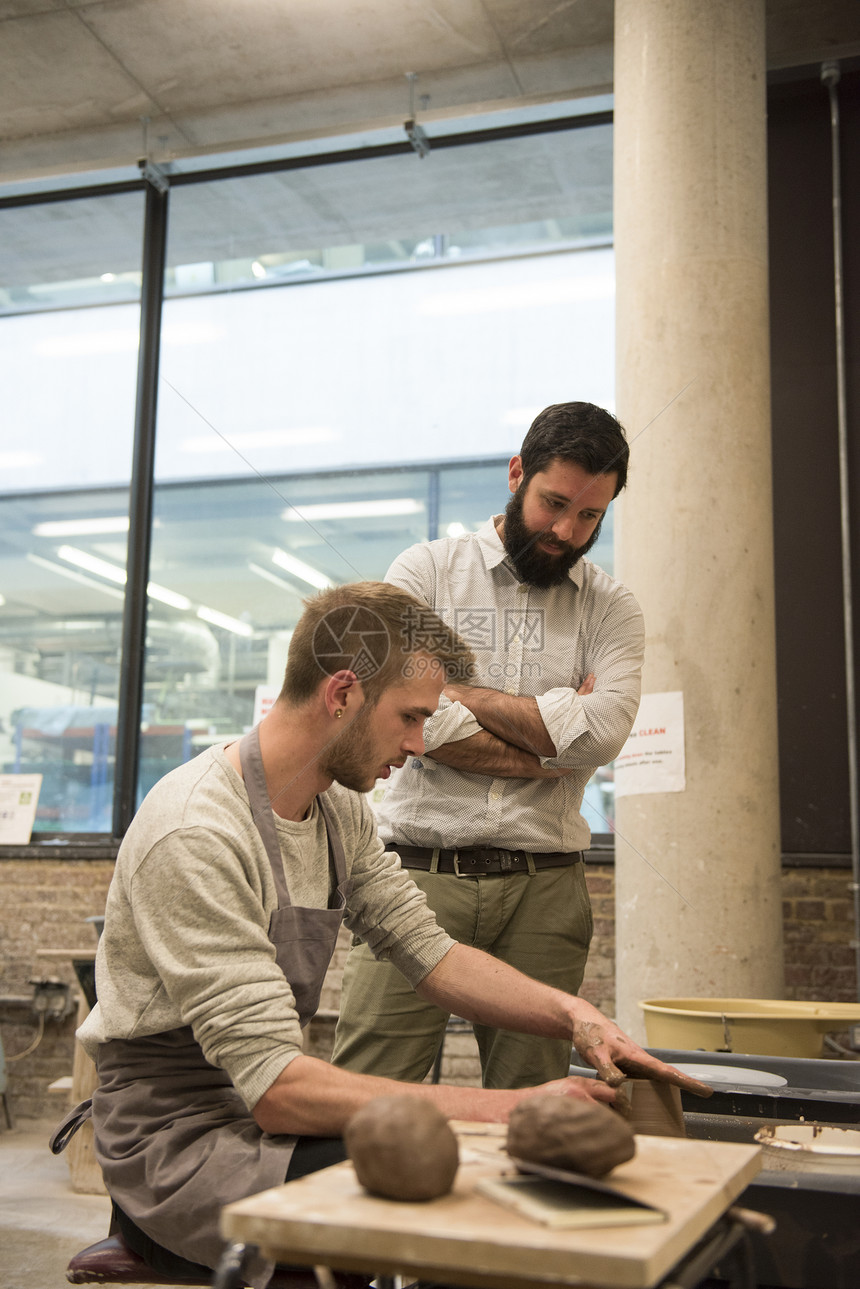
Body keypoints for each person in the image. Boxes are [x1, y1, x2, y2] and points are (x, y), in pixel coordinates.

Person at [52, 581, 705, 1289]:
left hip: (256, 1111)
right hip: (177, 1144)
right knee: (455, 1185)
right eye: (412, 717)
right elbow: (277, 1087)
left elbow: (433, 955)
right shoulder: (197, 831)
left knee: (481, 1176)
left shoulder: (338, 810)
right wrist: (507, 1107)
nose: (422, 744)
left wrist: (575, 1015)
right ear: (342, 693)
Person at [332, 403, 645, 1090]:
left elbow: (604, 733)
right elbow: (399, 712)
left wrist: (461, 692)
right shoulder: (426, 572)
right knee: (365, 1093)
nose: (566, 530)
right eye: (553, 503)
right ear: (516, 473)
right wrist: (553, 744)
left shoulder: (612, 608)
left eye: (590, 516)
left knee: (541, 1107)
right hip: (415, 877)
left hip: (546, 889)